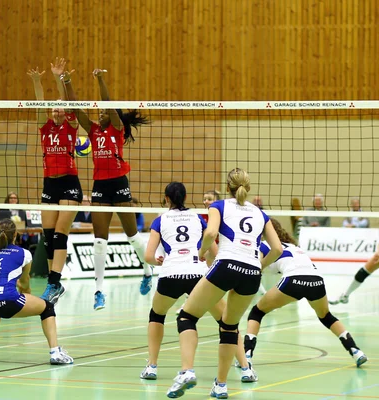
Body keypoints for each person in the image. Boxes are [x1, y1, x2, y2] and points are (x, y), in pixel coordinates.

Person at [166, 168, 283, 399]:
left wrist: (200, 252)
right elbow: (278, 248)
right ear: (247, 187)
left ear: (227, 186)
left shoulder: (218, 206)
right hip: (251, 272)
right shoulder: (261, 214)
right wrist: (259, 265)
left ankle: (186, 371)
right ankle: (220, 385)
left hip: (227, 265)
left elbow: (210, 234)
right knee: (229, 327)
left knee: (187, 316)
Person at [140, 182, 257, 384]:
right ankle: (246, 369)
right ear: (185, 198)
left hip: (171, 274)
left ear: (166, 198)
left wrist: (158, 261)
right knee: (227, 322)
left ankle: (152, 366)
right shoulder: (198, 218)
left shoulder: (160, 220)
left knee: (157, 315)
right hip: (197, 274)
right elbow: (214, 250)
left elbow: (148, 256)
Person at [62, 68, 152, 309]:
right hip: (100, 186)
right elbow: (77, 109)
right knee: (100, 241)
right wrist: (67, 82)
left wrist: (100, 78)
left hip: (120, 184)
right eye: (99, 112)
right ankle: (99, 291)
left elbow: (108, 104)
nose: (100, 112)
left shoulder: (116, 128)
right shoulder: (92, 130)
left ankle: (147, 270)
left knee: (133, 236)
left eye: (104, 111)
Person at [246, 218, 367, 368]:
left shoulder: (264, 246)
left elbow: (255, 267)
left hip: (293, 280)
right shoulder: (294, 246)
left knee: (256, 312)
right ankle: (355, 351)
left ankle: (246, 357)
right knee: (326, 316)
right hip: (317, 281)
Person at [0, 219, 73, 365]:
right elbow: (25, 281)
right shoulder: (24, 253)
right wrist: (25, 291)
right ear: (15, 235)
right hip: (7, 300)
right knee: (47, 308)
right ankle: (55, 352)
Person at [28, 58, 82, 305]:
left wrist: (60, 78)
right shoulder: (45, 126)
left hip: (70, 183)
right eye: (54, 109)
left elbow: (68, 103)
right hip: (49, 183)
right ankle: (55, 283)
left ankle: (52, 283)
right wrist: (37, 82)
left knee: (60, 235)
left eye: (60, 108)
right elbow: (40, 105)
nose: (57, 111)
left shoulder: (71, 126)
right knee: (48, 236)